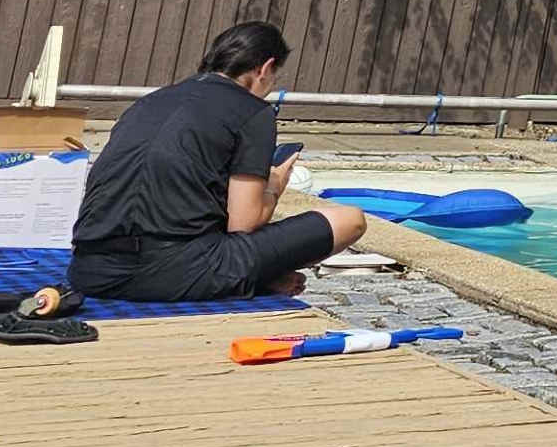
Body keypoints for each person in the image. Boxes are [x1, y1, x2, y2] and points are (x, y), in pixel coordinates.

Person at [67, 21, 370, 303]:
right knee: (349, 219)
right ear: (265, 68)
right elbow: (244, 222)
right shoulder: (253, 111)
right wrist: (275, 184)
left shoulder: (148, 101)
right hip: (172, 272)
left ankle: (254, 279)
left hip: (89, 271)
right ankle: (251, 279)